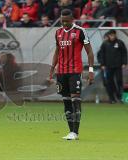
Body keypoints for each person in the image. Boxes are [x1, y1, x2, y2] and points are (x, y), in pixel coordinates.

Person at [49, 9, 94, 140]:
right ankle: (70, 131)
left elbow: (89, 52)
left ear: (72, 20)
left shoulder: (80, 31)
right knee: (66, 102)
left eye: (67, 21)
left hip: (75, 71)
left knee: (76, 100)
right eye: (62, 21)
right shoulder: (58, 32)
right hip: (61, 72)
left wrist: (90, 71)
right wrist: (52, 70)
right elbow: (57, 52)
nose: (64, 23)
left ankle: (76, 132)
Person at [99, 29, 127, 103]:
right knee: (109, 82)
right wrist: (102, 64)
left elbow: (124, 53)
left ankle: (120, 96)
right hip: (108, 66)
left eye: (113, 35)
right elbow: (101, 55)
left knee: (119, 81)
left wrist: (124, 63)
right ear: (108, 35)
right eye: (110, 35)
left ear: (115, 35)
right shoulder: (105, 44)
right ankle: (112, 98)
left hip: (118, 66)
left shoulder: (120, 43)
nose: (112, 36)